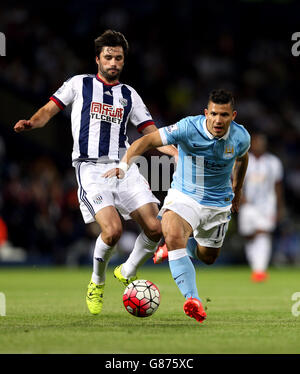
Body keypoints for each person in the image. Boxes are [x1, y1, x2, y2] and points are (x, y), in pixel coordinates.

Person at [13, 29, 177, 315]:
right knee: (112, 231)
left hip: (124, 166)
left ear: (124, 61)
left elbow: (150, 132)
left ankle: (126, 271)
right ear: (98, 59)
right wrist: (32, 122)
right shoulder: (79, 84)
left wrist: (175, 153)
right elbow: (49, 110)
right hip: (90, 169)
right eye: (109, 57)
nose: (114, 62)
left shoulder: (129, 94)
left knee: (154, 227)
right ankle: (97, 281)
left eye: (119, 58)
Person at [103, 89, 250, 323]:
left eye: (224, 115)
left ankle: (178, 249)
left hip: (217, 203)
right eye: (213, 114)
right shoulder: (188, 128)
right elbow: (148, 140)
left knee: (208, 256)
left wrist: (238, 188)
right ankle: (193, 299)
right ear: (206, 113)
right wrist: (123, 165)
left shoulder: (241, 137)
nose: (218, 120)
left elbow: (243, 158)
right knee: (171, 232)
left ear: (233, 115)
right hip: (184, 195)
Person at [237, 133, 284, 282]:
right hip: (247, 205)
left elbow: (278, 186)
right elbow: (235, 181)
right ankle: (256, 266)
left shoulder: (274, 162)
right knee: (249, 236)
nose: (259, 146)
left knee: (263, 233)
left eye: (261, 143)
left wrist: (279, 207)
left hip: (266, 205)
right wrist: (238, 197)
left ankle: (260, 270)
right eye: (256, 143)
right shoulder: (244, 160)